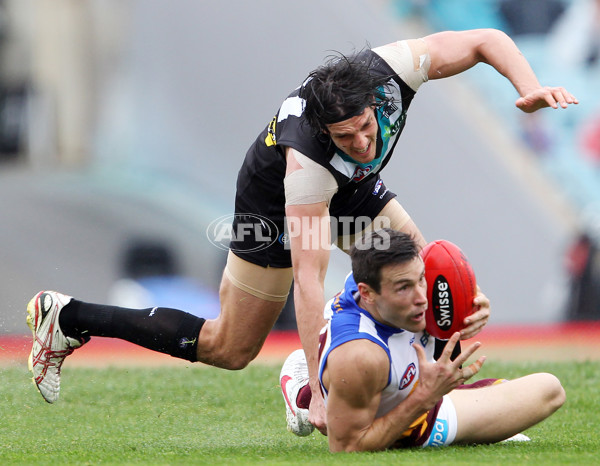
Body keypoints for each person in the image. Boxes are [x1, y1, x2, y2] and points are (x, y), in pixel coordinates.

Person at [27, 30, 576, 435]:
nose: (363, 141)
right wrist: (319, 394)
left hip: (355, 188)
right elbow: (309, 284)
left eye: (367, 126)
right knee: (231, 347)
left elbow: (486, 40)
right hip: (273, 204)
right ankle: (67, 318)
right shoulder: (306, 165)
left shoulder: (388, 73)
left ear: (374, 101)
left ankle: (434, 405)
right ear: (323, 131)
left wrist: (527, 87)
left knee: (427, 276)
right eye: (346, 135)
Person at [280, 229, 565, 450]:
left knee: (547, 389)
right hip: (406, 417)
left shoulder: (398, 276)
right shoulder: (360, 356)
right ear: (367, 293)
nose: (421, 297)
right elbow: (347, 448)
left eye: (421, 280)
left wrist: (476, 305)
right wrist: (424, 397)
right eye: (403, 288)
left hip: (406, 384)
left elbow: (445, 267)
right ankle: (304, 397)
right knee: (546, 390)